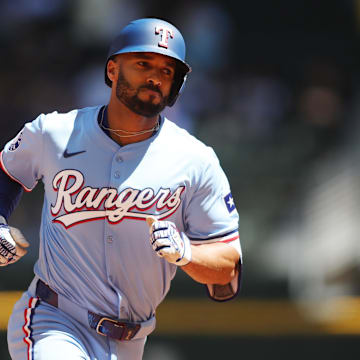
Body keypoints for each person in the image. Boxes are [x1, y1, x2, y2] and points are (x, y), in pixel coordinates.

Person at [1, 18, 242, 360]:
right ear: (112, 69)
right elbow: (7, 172)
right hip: (55, 321)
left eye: (167, 70)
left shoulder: (196, 160)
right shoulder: (53, 133)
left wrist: (187, 252)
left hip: (131, 342)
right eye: (143, 63)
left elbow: (227, 270)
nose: (155, 76)